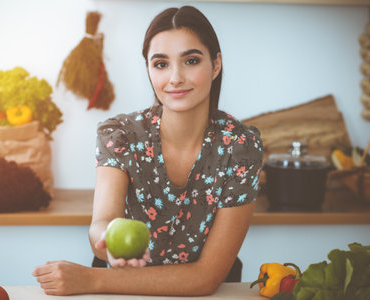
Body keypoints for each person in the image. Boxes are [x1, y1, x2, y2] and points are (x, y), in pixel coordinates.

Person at [32, 5, 263, 296]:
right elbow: (101, 223)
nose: (175, 78)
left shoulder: (241, 146)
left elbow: (206, 277)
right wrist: (106, 241)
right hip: (123, 288)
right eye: (161, 64)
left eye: (191, 60)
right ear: (149, 69)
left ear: (216, 64)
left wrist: (91, 280)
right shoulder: (120, 135)